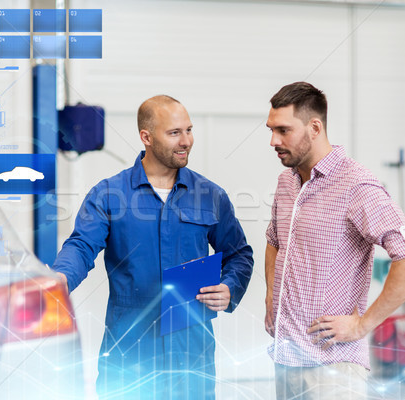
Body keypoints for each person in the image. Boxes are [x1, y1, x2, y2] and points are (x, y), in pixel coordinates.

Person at [52, 95, 254, 399]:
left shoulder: (209, 195)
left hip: (191, 355)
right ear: (146, 137)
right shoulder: (109, 194)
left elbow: (239, 254)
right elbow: (81, 246)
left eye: (189, 130)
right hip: (130, 353)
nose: (186, 141)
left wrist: (229, 287)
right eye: (174, 133)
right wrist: (59, 280)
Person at [263, 82, 405, 399]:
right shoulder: (286, 182)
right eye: (271, 130)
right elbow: (275, 241)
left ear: (314, 127)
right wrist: (270, 296)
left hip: (333, 370)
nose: (273, 141)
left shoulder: (356, 184)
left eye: (283, 130)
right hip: (285, 360)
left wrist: (362, 325)